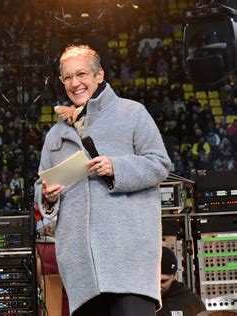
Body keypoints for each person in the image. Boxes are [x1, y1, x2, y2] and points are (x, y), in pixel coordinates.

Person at [35, 45, 171, 315]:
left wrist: (116, 167)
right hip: (81, 272)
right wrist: (47, 198)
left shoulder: (132, 113)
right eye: (67, 77)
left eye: (82, 74)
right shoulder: (55, 135)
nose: (75, 83)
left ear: (100, 75)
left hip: (128, 264)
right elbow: (41, 187)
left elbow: (160, 164)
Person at [158, 247, 206, 316]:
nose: (158, 287)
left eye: (163, 281)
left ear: (174, 276)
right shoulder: (139, 299)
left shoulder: (190, 301)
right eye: (155, 281)